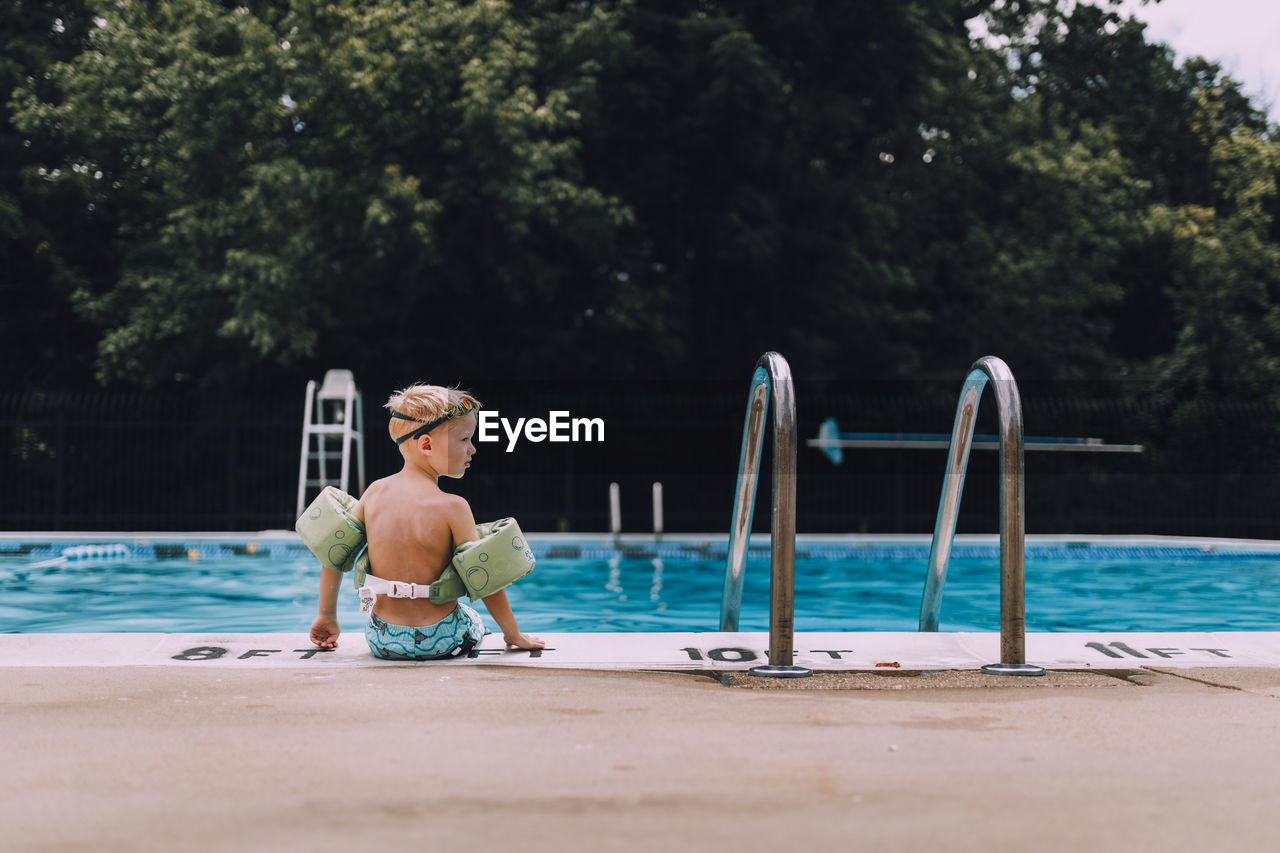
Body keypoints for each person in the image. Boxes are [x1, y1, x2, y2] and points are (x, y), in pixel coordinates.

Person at [308, 383, 543, 659]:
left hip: (383, 639)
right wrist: (513, 634)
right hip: (441, 639)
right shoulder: (454, 507)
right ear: (427, 445)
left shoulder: (374, 493)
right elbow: (486, 579)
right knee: (471, 617)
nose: (473, 449)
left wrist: (327, 616)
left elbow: (334, 553)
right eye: (464, 439)